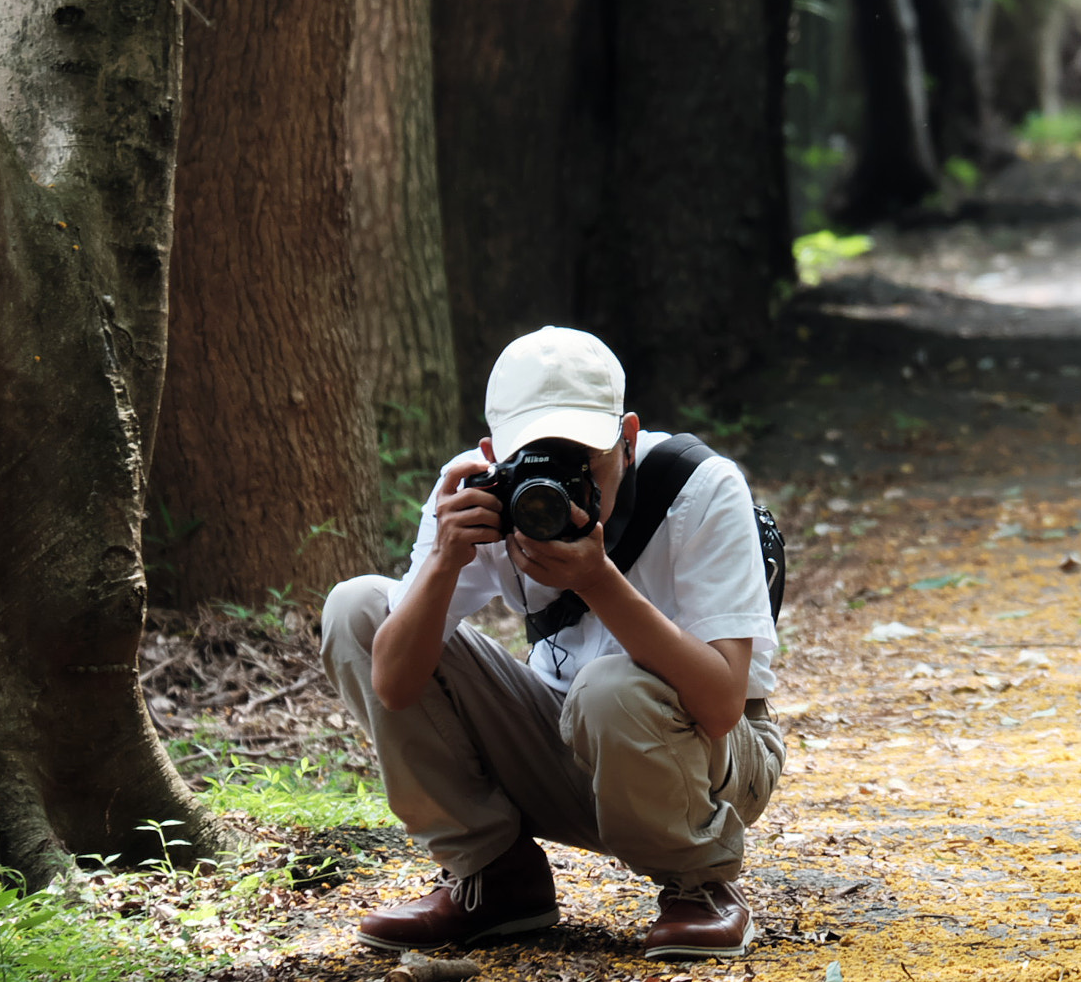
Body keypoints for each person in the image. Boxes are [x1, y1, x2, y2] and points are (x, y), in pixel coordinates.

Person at [320, 326, 783, 960]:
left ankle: (697, 885)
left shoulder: (698, 488)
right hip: (567, 738)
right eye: (540, 457)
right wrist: (444, 562)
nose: (562, 484)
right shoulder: (481, 493)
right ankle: (495, 875)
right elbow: (395, 686)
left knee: (610, 686)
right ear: (494, 451)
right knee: (358, 607)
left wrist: (599, 581)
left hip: (713, 762)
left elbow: (724, 702)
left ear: (626, 436)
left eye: (584, 459)